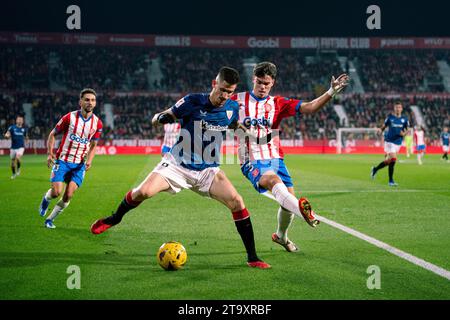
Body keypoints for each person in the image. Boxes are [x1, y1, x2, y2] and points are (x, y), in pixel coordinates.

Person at [90, 67, 271, 269]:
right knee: (143, 191)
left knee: (237, 202)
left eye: (229, 91)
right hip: (177, 165)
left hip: (207, 170)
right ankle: (114, 218)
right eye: (222, 90)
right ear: (214, 84)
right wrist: (161, 118)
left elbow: (234, 125)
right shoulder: (192, 101)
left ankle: (253, 257)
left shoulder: (231, 107)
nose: (225, 95)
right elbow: (159, 117)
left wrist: (255, 137)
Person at [232, 62, 349, 252]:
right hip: (251, 159)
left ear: (273, 83)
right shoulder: (237, 100)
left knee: (288, 203)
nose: (262, 87)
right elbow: (217, 112)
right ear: (253, 79)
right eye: (259, 82)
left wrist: (331, 92)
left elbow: (310, 108)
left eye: (266, 84)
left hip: (276, 158)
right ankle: (309, 215)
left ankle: (281, 236)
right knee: (272, 181)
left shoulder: (278, 103)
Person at [38, 88, 103, 229]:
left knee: (68, 195)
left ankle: (49, 220)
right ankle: (46, 198)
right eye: (87, 100)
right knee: (56, 192)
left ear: (95, 103)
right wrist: (50, 153)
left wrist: (90, 160)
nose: (90, 103)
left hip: (79, 165)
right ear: (80, 102)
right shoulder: (70, 117)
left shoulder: (97, 123)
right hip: (62, 161)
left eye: (92, 100)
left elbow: (94, 145)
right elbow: (52, 134)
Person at [371, 102, 409, 186]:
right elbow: (383, 127)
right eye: (396, 107)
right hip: (389, 141)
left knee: (390, 161)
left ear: (401, 109)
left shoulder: (405, 119)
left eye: (399, 107)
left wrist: (404, 133)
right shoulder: (390, 118)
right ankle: (390, 181)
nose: (398, 109)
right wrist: (380, 130)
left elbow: (407, 129)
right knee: (394, 159)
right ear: (394, 108)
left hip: (398, 142)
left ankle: (375, 169)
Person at [4, 115, 28, 179]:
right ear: (16, 120)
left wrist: (27, 140)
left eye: (21, 120)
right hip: (13, 147)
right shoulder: (12, 127)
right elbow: (7, 134)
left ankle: (19, 168)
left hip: (21, 147)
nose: (20, 120)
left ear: (22, 121)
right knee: (12, 162)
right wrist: (6, 136)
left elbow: (26, 136)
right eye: (19, 119)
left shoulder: (24, 129)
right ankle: (14, 174)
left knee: (18, 157)